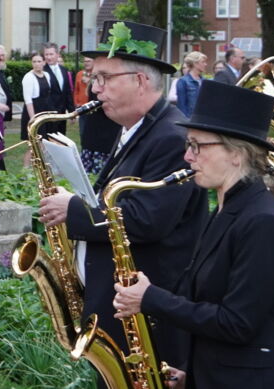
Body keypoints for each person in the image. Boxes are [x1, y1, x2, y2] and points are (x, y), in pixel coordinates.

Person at [38, 21, 207, 363]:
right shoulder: (136, 128)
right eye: (93, 78)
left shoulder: (171, 137)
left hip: (144, 317)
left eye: (103, 78)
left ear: (140, 80)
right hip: (122, 305)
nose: (95, 89)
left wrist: (72, 210)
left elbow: (147, 222)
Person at [112, 80, 274, 388]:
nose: (187, 156)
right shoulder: (228, 208)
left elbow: (237, 324)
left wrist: (151, 299)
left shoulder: (263, 222)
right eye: (189, 144)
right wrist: (192, 375)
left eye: (197, 145)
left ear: (237, 154)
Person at [19, 52, 52, 141]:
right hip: (33, 112)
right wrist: (33, 119)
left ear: (44, 62)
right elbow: (28, 99)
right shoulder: (29, 77)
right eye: (34, 61)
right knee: (35, 144)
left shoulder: (47, 75)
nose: (37, 64)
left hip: (44, 113)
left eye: (39, 61)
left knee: (44, 142)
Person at [174, 51, 206, 118]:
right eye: (203, 62)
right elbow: (181, 106)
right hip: (190, 120)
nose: (205, 64)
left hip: (202, 120)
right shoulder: (183, 81)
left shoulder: (204, 81)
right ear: (195, 64)